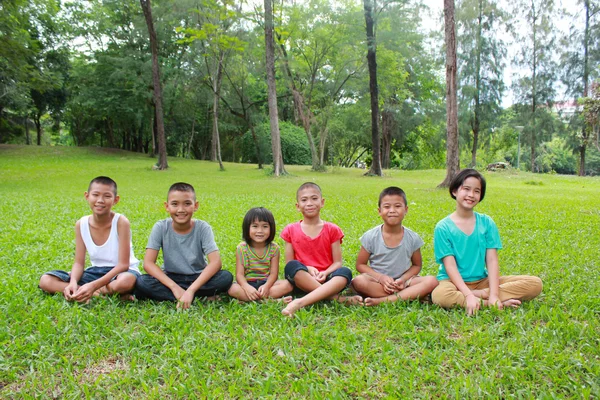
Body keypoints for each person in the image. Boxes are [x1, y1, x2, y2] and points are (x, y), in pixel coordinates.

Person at [431, 169, 543, 315]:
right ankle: (486, 303)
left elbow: (492, 260)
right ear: (454, 191)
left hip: (482, 281)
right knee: (440, 296)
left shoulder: (486, 223)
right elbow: (450, 266)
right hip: (452, 283)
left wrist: (494, 294)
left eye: (477, 191)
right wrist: (468, 294)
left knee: (535, 284)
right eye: (466, 189)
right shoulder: (443, 227)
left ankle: (484, 295)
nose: (471, 195)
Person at [39, 176, 140, 302]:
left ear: (116, 200)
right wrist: (73, 282)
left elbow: (123, 265)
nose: (100, 200)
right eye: (95, 195)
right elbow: (79, 263)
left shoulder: (121, 222)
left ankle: (88, 292)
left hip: (121, 273)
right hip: (95, 272)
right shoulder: (81, 224)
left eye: (107, 196)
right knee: (46, 280)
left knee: (125, 282)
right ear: (87, 196)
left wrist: (93, 286)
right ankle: (95, 293)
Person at [134, 182, 233, 309]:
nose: (181, 210)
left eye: (187, 204)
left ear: (195, 205)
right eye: (175, 204)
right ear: (167, 206)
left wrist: (191, 290)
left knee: (225, 277)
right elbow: (148, 263)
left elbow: (215, 262)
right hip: (171, 277)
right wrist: (174, 287)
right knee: (142, 282)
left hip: (198, 277)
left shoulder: (203, 228)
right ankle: (197, 297)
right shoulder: (160, 227)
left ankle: (187, 295)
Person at [281, 182, 363, 317]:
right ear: (297, 206)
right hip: (302, 278)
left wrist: (325, 273)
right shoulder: (290, 230)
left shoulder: (332, 229)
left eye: (314, 198)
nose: (309, 203)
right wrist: (307, 268)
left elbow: (337, 263)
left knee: (345, 272)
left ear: (322, 202)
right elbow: (289, 262)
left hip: (328, 279)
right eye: (304, 200)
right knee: (292, 266)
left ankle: (300, 301)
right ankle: (336, 299)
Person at [352, 187, 438, 306]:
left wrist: (402, 280)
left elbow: (417, 265)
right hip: (378, 282)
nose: (392, 210)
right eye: (387, 207)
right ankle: (407, 296)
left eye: (397, 206)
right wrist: (381, 278)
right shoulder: (371, 236)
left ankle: (383, 301)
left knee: (432, 281)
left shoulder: (413, 238)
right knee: (358, 281)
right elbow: (360, 265)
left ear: (406, 210)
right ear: (379, 211)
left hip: (405, 282)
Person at [227, 207, 293, 302]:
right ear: (247, 228)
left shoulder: (274, 248)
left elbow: (274, 274)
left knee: (288, 285)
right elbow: (239, 275)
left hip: (267, 284)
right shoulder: (242, 248)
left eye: (265, 226)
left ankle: (252, 299)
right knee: (232, 289)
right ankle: (269, 301)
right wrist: (247, 287)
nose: (260, 231)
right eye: (255, 226)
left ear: (271, 228)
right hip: (248, 283)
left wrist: (267, 286)